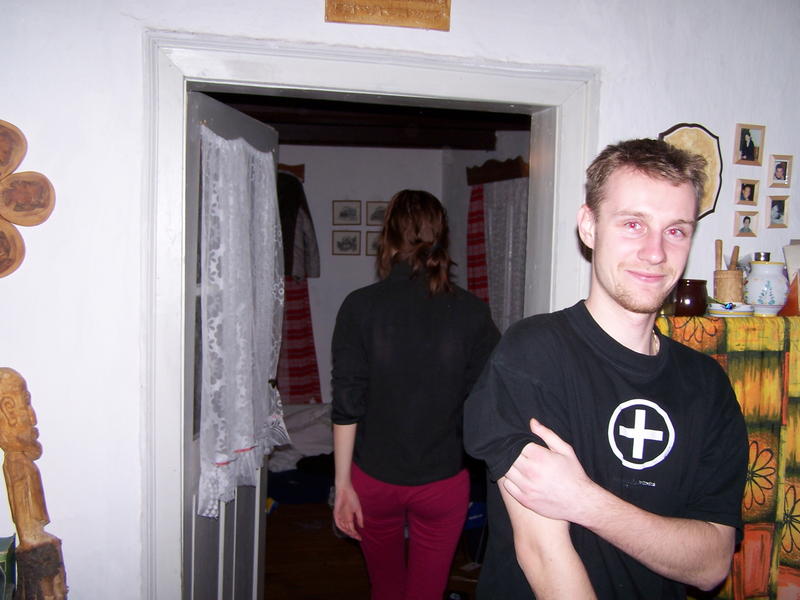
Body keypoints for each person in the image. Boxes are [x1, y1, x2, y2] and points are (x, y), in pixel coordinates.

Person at [464, 139, 748, 599]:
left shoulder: (707, 385)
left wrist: (585, 501)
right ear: (589, 227)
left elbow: (711, 564)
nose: (655, 252)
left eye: (676, 231)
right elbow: (544, 555)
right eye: (634, 224)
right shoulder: (532, 355)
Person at [332, 189, 500, 600]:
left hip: (374, 479)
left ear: (387, 237)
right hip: (443, 481)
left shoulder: (359, 306)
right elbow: (488, 401)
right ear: (442, 237)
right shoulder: (472, 311)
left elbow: (346, 403)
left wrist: (342, 484)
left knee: (386, 588)